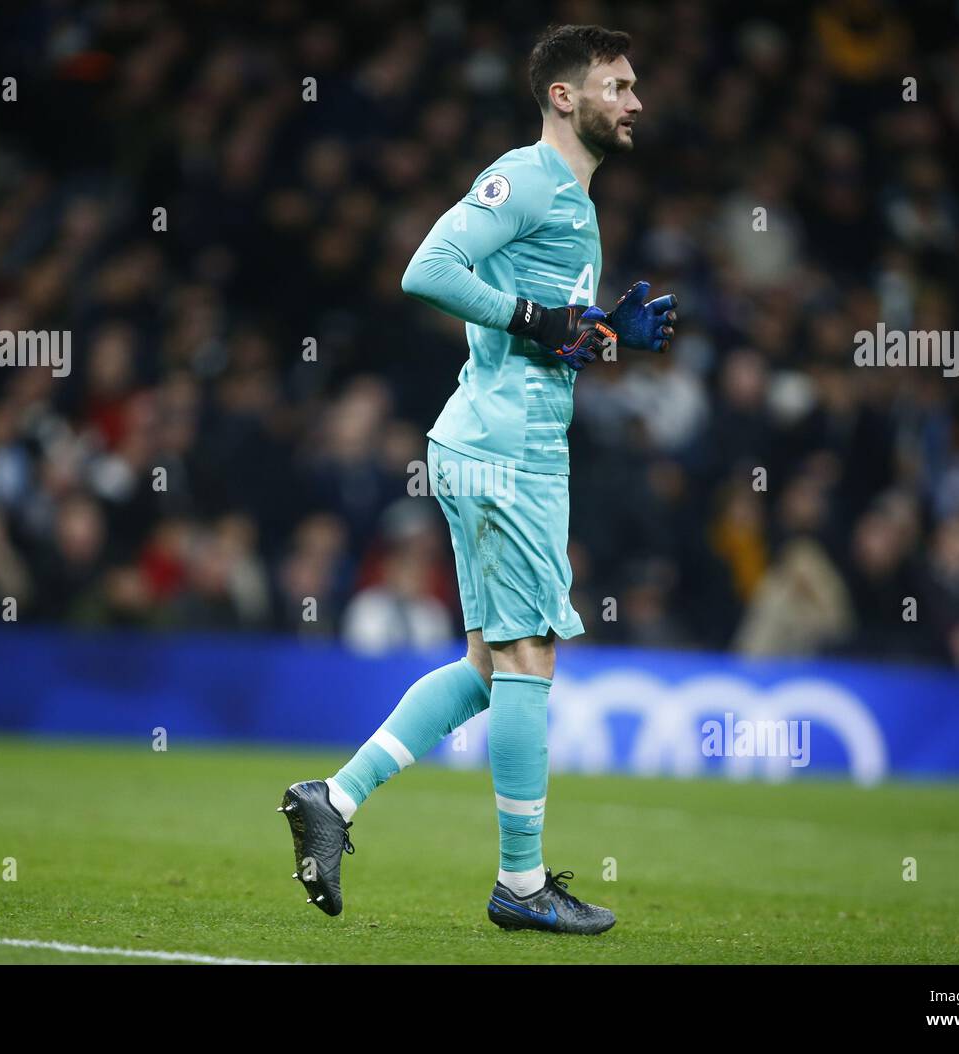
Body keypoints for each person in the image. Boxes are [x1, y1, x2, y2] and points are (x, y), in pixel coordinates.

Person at [279, 23, 676, 935]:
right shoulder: (530, 177)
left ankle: (333, 801)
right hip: (505, 450)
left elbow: (541, 339)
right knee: (530, 655)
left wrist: (607, 334)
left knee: (489, 667)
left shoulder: (571, 197)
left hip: (507, 443)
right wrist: (539, 316)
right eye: (618, 85)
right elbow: (430, 269)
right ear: (565, 97)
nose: (636, 101)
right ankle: (523, 885)